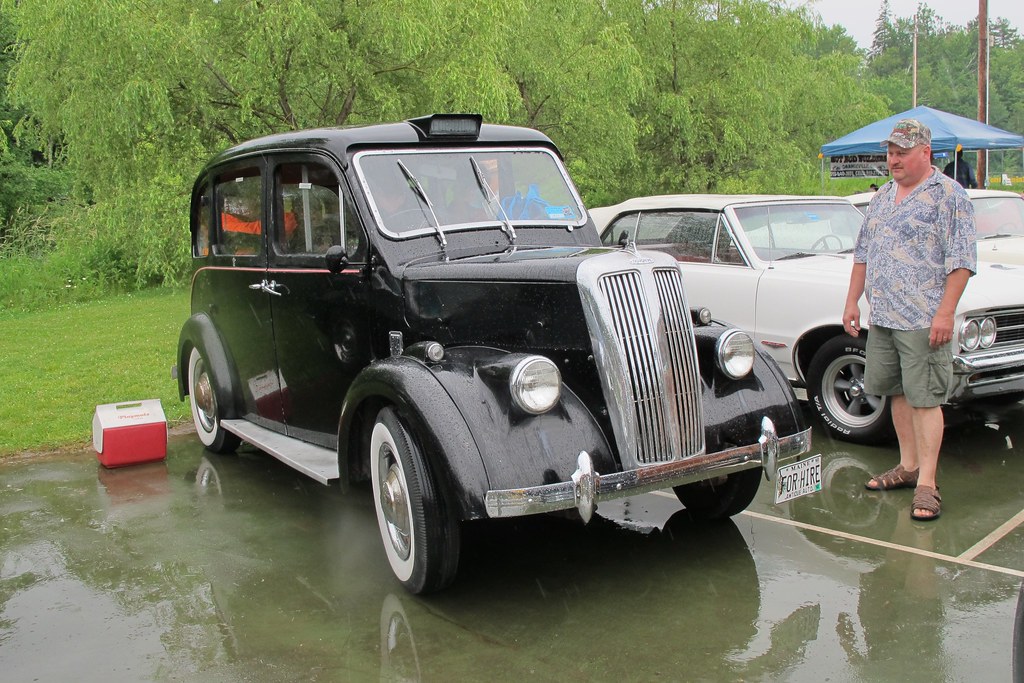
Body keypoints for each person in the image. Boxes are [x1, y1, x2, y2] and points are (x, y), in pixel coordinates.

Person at [843, 118, 977, 521]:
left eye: (902, 153)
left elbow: (962, 262)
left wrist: (945, 313)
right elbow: (863, 253)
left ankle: (927, 485)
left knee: (925, 398)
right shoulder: (883, 196)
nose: (894, 159)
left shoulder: (949, 196)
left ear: (925, 153)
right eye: (890, 152)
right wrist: (852, 302)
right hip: (884, 315)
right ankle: (908, 466)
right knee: (897, 392)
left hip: (923, 318)